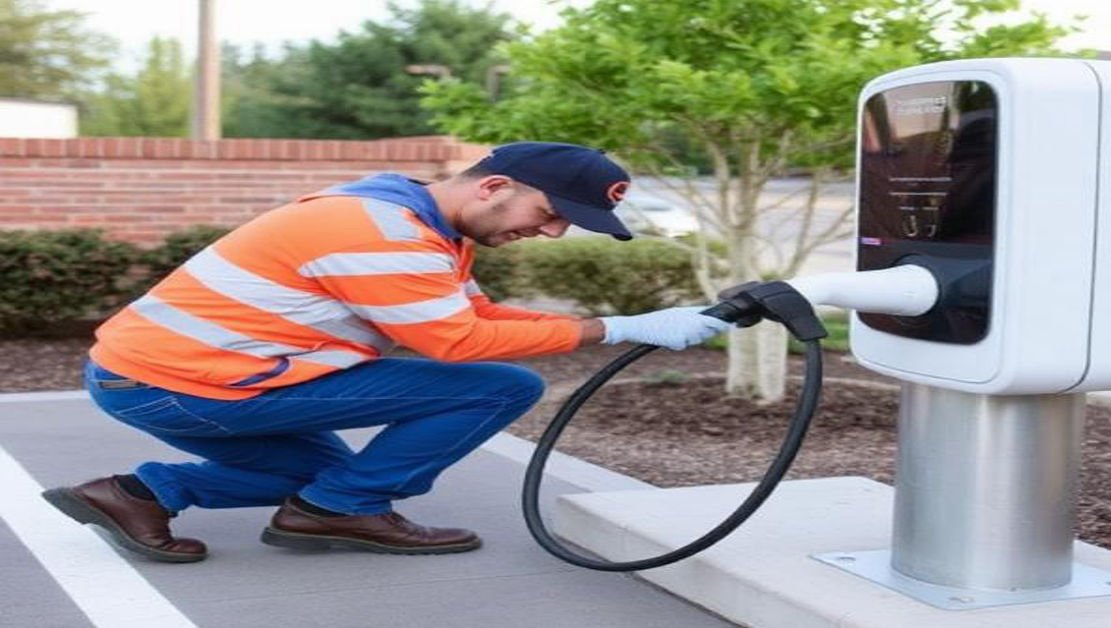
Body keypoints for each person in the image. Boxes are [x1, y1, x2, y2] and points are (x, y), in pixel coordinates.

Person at [41, 141, 730, 563]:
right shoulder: (382, 233)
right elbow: (456, 341)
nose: (552, 233)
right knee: (500, 386)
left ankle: (138, 494)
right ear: (494, 187)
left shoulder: (414, 219)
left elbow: (474, 313)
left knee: (332, 481)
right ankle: (338, 509)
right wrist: (615, 327)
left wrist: (627, 322)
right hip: (185, 386)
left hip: (176, 378)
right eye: (550, 215)